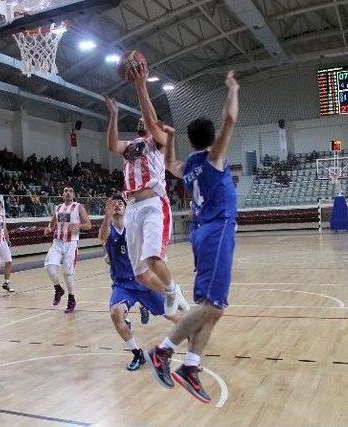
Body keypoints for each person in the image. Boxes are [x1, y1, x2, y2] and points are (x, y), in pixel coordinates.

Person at [144, 71, 240, 403]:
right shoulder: (214, 158)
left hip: (203, 234)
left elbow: (169, 161)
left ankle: (192, 366)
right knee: (212, 305)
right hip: (216, 231)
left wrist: (169, 136)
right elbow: (230, 118)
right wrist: (232, 89)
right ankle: (163, 349)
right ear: (212, 139)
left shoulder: (189, 166)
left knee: (213, 309)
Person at [104, 66, 189, 318]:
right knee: (140, 274)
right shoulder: (131, 145)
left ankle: (173, 289)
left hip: (153, 203)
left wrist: (140, 85)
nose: (142, 121)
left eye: (147, 121)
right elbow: (111, 145)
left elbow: (151, 120)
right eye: (140, 120)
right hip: (132, 208)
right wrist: (114, 115)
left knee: (153, 258)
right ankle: (172, 293)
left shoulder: (156, 141)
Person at [100, 195, 181, 371]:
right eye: (114, 204)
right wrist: (106, 217)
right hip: (122, 285)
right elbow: (102, 237)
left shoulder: (134, 226)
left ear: (126, 207)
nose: (117, 206)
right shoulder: (109, 229)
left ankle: (190, 331)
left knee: (172, 315)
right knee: (115, 314)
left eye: (120, 203)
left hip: (144, 282)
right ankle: (137, 354)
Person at [44, 186, 91, 314]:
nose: (68, 193)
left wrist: (79, 225)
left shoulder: (79, 207)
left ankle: (71, 298)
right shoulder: (58, 208)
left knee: (67, 273)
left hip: (71, 244)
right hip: (57, 242)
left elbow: (88, 225)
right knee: (49, 267)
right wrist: (49, 228)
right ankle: (58, 289)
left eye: (70, 191)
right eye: (66, 191)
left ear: (74, 194)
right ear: (62, 194)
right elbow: (52, 223)